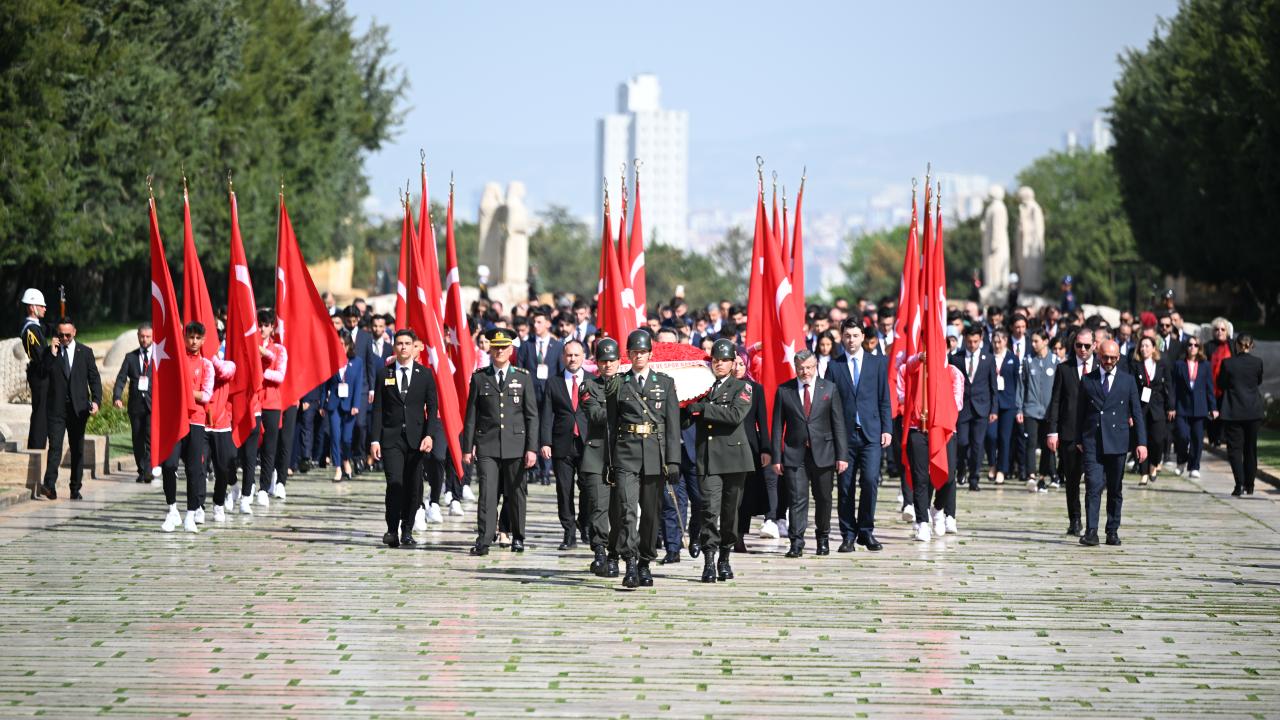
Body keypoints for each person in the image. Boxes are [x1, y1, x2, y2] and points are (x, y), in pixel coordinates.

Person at [600, 329, 680, 588]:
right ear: (628, 354)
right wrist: (609, 461)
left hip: (655, 455)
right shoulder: (618, 383)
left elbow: (673, 426)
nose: (639, 356)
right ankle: (631, 562)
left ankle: (645, 560)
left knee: (651, 514)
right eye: (634, 352)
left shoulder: (665, 383)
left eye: (643, 352)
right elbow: (611, 424)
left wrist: (674, 461)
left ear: (650, 354)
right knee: (626, 510)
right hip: (626, 454)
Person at [462, 328, 538, 555]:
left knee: (516, 493)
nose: (499, 351)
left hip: (516, 445)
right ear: (490, 349)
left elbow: (531, 416)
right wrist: (467, 447)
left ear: (511, 350)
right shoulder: (480, 377)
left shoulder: (522, 377)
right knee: (487, 493)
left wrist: (532, 448)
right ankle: (484, 539)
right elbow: (471, 416)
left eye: (504, 347)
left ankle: (518, 536)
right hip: (488, 444)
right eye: (495, 347)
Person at [684, 338, 756, 582]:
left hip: (734, 459)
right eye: (716, 360)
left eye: (725, 360)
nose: (720, 364)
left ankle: (724, 557)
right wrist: (684, 406)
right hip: (708, 458)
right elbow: (687, 418)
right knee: (709, 510)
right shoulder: (702, 387)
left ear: (733, 362)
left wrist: (703, 409)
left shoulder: (742, 387)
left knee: (730, 513)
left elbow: (735, 415)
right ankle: (709, 561)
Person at [772, 350, 847, 557]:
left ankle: (823, 538)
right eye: (801, 368)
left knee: (823, 498)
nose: (805, 372)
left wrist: (842, 456)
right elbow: (777, 426)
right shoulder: (784, 390)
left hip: (824, 453)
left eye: (809, 367)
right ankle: (796, 542)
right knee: (797, 499)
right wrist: (777, 457)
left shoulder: (829, 388)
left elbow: (838, 424)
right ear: (795, 368)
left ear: (816, 367)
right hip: (795, 454)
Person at [825, 319, 892, 552]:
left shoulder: (877, 363)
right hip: (844, 437)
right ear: (841, 337)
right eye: (847, 336)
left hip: (871, 434)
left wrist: (887, 428)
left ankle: (866, 531)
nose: (851, 340)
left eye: (855, 335)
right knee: (845, 487)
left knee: (870, 480)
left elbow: (884, 398)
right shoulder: (834, 366)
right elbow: (828, 404)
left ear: (863, 336)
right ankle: (848, 535)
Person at [370, 329, 438, 548]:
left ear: (414, 347)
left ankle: (407, 529)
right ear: (394, 347)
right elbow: (378, 409)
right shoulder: (384, 374)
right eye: (399, 343)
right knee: (395, 483)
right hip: (391, 438)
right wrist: (374, 440)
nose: (403, 347)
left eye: (408, 343)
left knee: (413, 485)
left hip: (416, 439)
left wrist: (429, 435)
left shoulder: (424, 374)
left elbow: (433, 408)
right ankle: (392, 529)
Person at [1075, 339, 1146, 547]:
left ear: (1118, 358)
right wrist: (1079, 439)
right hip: (1093, 441)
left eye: (1112, 358)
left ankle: (1112, 530)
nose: (1108, 361)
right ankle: (1091, 531)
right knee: (1093, 486)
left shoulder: (1127, 381)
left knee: (1115, 488)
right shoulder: (1088, 380)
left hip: (1117, 441)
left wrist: (1141, 442)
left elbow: (1137, 413)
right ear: (1098, 355)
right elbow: (1080, 413)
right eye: (1105, 357)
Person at [898, 351, 965, 540]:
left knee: (948, 476)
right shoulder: (914, 368)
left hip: (944, 429)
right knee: (920, 477)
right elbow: (902, 388)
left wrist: (937, 405)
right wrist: (919, 360)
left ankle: (937, 508)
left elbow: (958, 403)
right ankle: (922, 522)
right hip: (917, 428)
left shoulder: (953, 372)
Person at [36, 316, 102, 501]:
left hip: (78, 409)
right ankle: (49, 485)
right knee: (55, 447)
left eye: (67, 335)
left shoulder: (85, 352)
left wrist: (96, 401)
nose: (64, 338)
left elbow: (94, 378)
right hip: (56, 409)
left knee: (77, 449)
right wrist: (51, 354)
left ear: (74, 333)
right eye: (60, 335)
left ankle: (75, 487)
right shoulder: (51, 352)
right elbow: (42, 374)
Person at [539, 339, 594, 551]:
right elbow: (546, 415)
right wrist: (545, 442)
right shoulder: (553, 382)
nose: (572, 359)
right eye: (569, 355)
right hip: (562, 443)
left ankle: (585, 523)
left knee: (588, 487)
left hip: (587, 443)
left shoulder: (593, 381)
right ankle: (569, 532)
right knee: (564, 489)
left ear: (583, 357)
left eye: (576, 355)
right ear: (563, 357)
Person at [159, 322, 213, 532]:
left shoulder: (206, 365)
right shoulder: (176, 361)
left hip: (196, 421)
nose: (194, 341)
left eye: (198, 338)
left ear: (203, 340)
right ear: (184, 337)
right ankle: (172, 509)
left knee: (194, 469)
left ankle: (191, 514)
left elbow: (206, 395)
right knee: (169, 464)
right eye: (190, 337)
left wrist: (185, 391)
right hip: (176, 420)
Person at [1047, 327, 1096, 536]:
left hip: (1094, 433)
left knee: (1094, 481)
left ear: (1094, 345)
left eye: (1087, 345)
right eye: (1078, 345)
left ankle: (1092, 522)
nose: (1083, 349)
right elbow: (1056, 401)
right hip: (1069, 433)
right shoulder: (1064, 369)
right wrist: (1052, 431)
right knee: (1072, 480)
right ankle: (1075, 519)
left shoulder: (1101, 368)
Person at [580, 338, 621, 576]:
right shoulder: (589, 386)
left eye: (612, 360)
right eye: (603, 361)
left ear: (619, 361)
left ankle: (615, 554)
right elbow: (595, 415)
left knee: (620, 510)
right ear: (597, 363)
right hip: (597, 455)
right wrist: (624, 410)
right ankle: (600, 552)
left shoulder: (628, 385)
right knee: (598, 507)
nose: (608, 365)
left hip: (622, 455)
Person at [950, 325, 997, 492]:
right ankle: (961, 467)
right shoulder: (956, 358)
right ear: (965, 340)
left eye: (975, 341)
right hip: (962, 407)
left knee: (977, 444)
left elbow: (993, 385)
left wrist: (994, 409)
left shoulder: (988, 359)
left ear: (981, 339)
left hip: (981, 407)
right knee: (962, 442)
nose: (972, 345)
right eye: (969, 341)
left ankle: (974, 478)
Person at [1217, 334, 1264, 496]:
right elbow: (1258, 381)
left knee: (1235, 449)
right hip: (1253, 411)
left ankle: (1239, 484)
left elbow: (1221, 383)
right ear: (1251, 345)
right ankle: (1250, 485)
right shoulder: (1258, 362)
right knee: (1250, 449)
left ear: (1237, 345)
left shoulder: (1228, 363)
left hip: (1234, 410)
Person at [1016, 329, 1056, 492]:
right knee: (1031, 443)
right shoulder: (1027, 360)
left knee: (1047, 445)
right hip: (1031, 409)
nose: (1033, 344)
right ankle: (1031, 475)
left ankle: (1043, 477)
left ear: (1045, 341)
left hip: (1049, 411)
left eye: (1036, 341)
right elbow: (1021, 386)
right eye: (1031, 341)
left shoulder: (1055, 361)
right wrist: (1019, 408)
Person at [113, 323, 154, 484]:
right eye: (142, 336)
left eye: (148, 336)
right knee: (137, 438)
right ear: (138, 336)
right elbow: (121, 378)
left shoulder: (158, 356)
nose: (144, 339)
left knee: (150, 438)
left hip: (152, 404)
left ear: (152, 337)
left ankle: (148, 470)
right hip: (136, 405)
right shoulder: (130, 357)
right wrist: (117, 396)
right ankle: (141, 470)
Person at [1171, 337, 1216, 479]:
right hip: (1182, 407)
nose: (1193, 347)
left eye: (1196, 345)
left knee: (1197, 439)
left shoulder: (1205, 365)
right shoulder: (1179, 364)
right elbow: (1173, 387)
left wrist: (1213, 407)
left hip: (1199, 408)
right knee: (1182, 436)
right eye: (1190, 344)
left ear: (1199, 348)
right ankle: (1181, 461)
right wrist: (1171, 406)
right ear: (1186, 347)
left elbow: (1209, 387)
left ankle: (1194, 466)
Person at [256, 310, 288, 504]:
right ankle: (244, 487)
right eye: (259, 325)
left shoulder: (279, 350)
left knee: (269, 447)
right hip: (253, 401)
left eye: (266, 325)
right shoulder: (249, 346)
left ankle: (264, 487)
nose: (262, 329)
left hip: (272, 403)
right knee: (249, 446)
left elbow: (280, 376)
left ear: (272, 328)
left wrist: (261, 372)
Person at [323, 334, 365, 482]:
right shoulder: (331, 360)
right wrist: (322, 403)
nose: (340, 347)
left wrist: (356, 404)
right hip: (334, 403)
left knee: (346, 438)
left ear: (348, 345)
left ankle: (346, 459)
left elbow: (359, 384)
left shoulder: (357, 362)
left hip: (349, 405)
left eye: (342, 344)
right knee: (335, 436)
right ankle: (338, 468)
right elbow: (325, 383)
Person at [1130, 336, 1171, 486]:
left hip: (1158, 406)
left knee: (1158, 439)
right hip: (1141, 407)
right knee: (1142, 440)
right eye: (1142, 346)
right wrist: (1130, 412)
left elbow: (1169, 385)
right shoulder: (1135, 365)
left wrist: (1171, 406)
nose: (1144, 349)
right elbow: (1132, 388)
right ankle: (1144, 472)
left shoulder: (1161, 364)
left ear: (1154, 348)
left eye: (1147, 346)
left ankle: (1154, 463)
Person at [986, 329, 1020, 485]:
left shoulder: (1013, 358)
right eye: (994, 341)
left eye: (999, 342)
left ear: (1006, 341)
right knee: (991, 435)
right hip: (991, 403)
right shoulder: (988, 357)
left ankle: (1002, 469)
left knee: (1005, 438)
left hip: (1008, 403)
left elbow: (1017, 382)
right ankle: (992, 464)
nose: (997, 345)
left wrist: (1018, 405)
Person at [19, 288, 49, 452]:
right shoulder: (31, 329)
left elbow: (47, 329)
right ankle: (36, 448)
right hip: (39, 374)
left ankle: (38, 446)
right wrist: (52, 352)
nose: (44, 308)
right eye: (41, 305)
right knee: (40, 413)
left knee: (42, 412)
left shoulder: (36, 327)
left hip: (40, 373)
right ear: (32, 307)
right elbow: (40, 355)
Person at [1204, 317, 1233, 448]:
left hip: (1227, 387)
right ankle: (1214, 438)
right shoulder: (1208, 346)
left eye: (1222, 329)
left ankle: (1222, 437)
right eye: (1216, 329)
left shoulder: (1232, 345)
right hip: (1212, 385)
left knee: (1225, 412)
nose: (1219, 332)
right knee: (1212, 413)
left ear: (1227, 331)